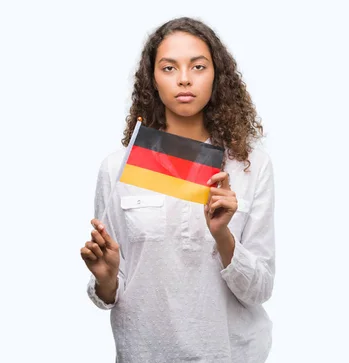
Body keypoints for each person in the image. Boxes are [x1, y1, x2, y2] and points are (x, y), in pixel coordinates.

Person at [79, 17, 275, 363]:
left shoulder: (249, 166)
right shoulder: (119, 167)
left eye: (198, 66)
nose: (184, 78)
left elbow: (259, 290)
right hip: (143, 353)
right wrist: (107, 279)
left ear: (217, 76)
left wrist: (223, 236)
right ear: (152, 80)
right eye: (169, 68)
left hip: (230, 354)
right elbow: (109, 290)